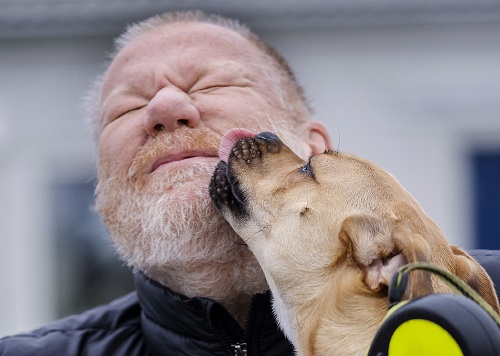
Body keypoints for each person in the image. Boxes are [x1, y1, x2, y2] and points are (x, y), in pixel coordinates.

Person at [0, 10, 332, 355]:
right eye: (125, 108)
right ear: (105, 187)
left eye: (212, 84)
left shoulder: (392, 333)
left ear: (316, 149)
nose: (164, 106)